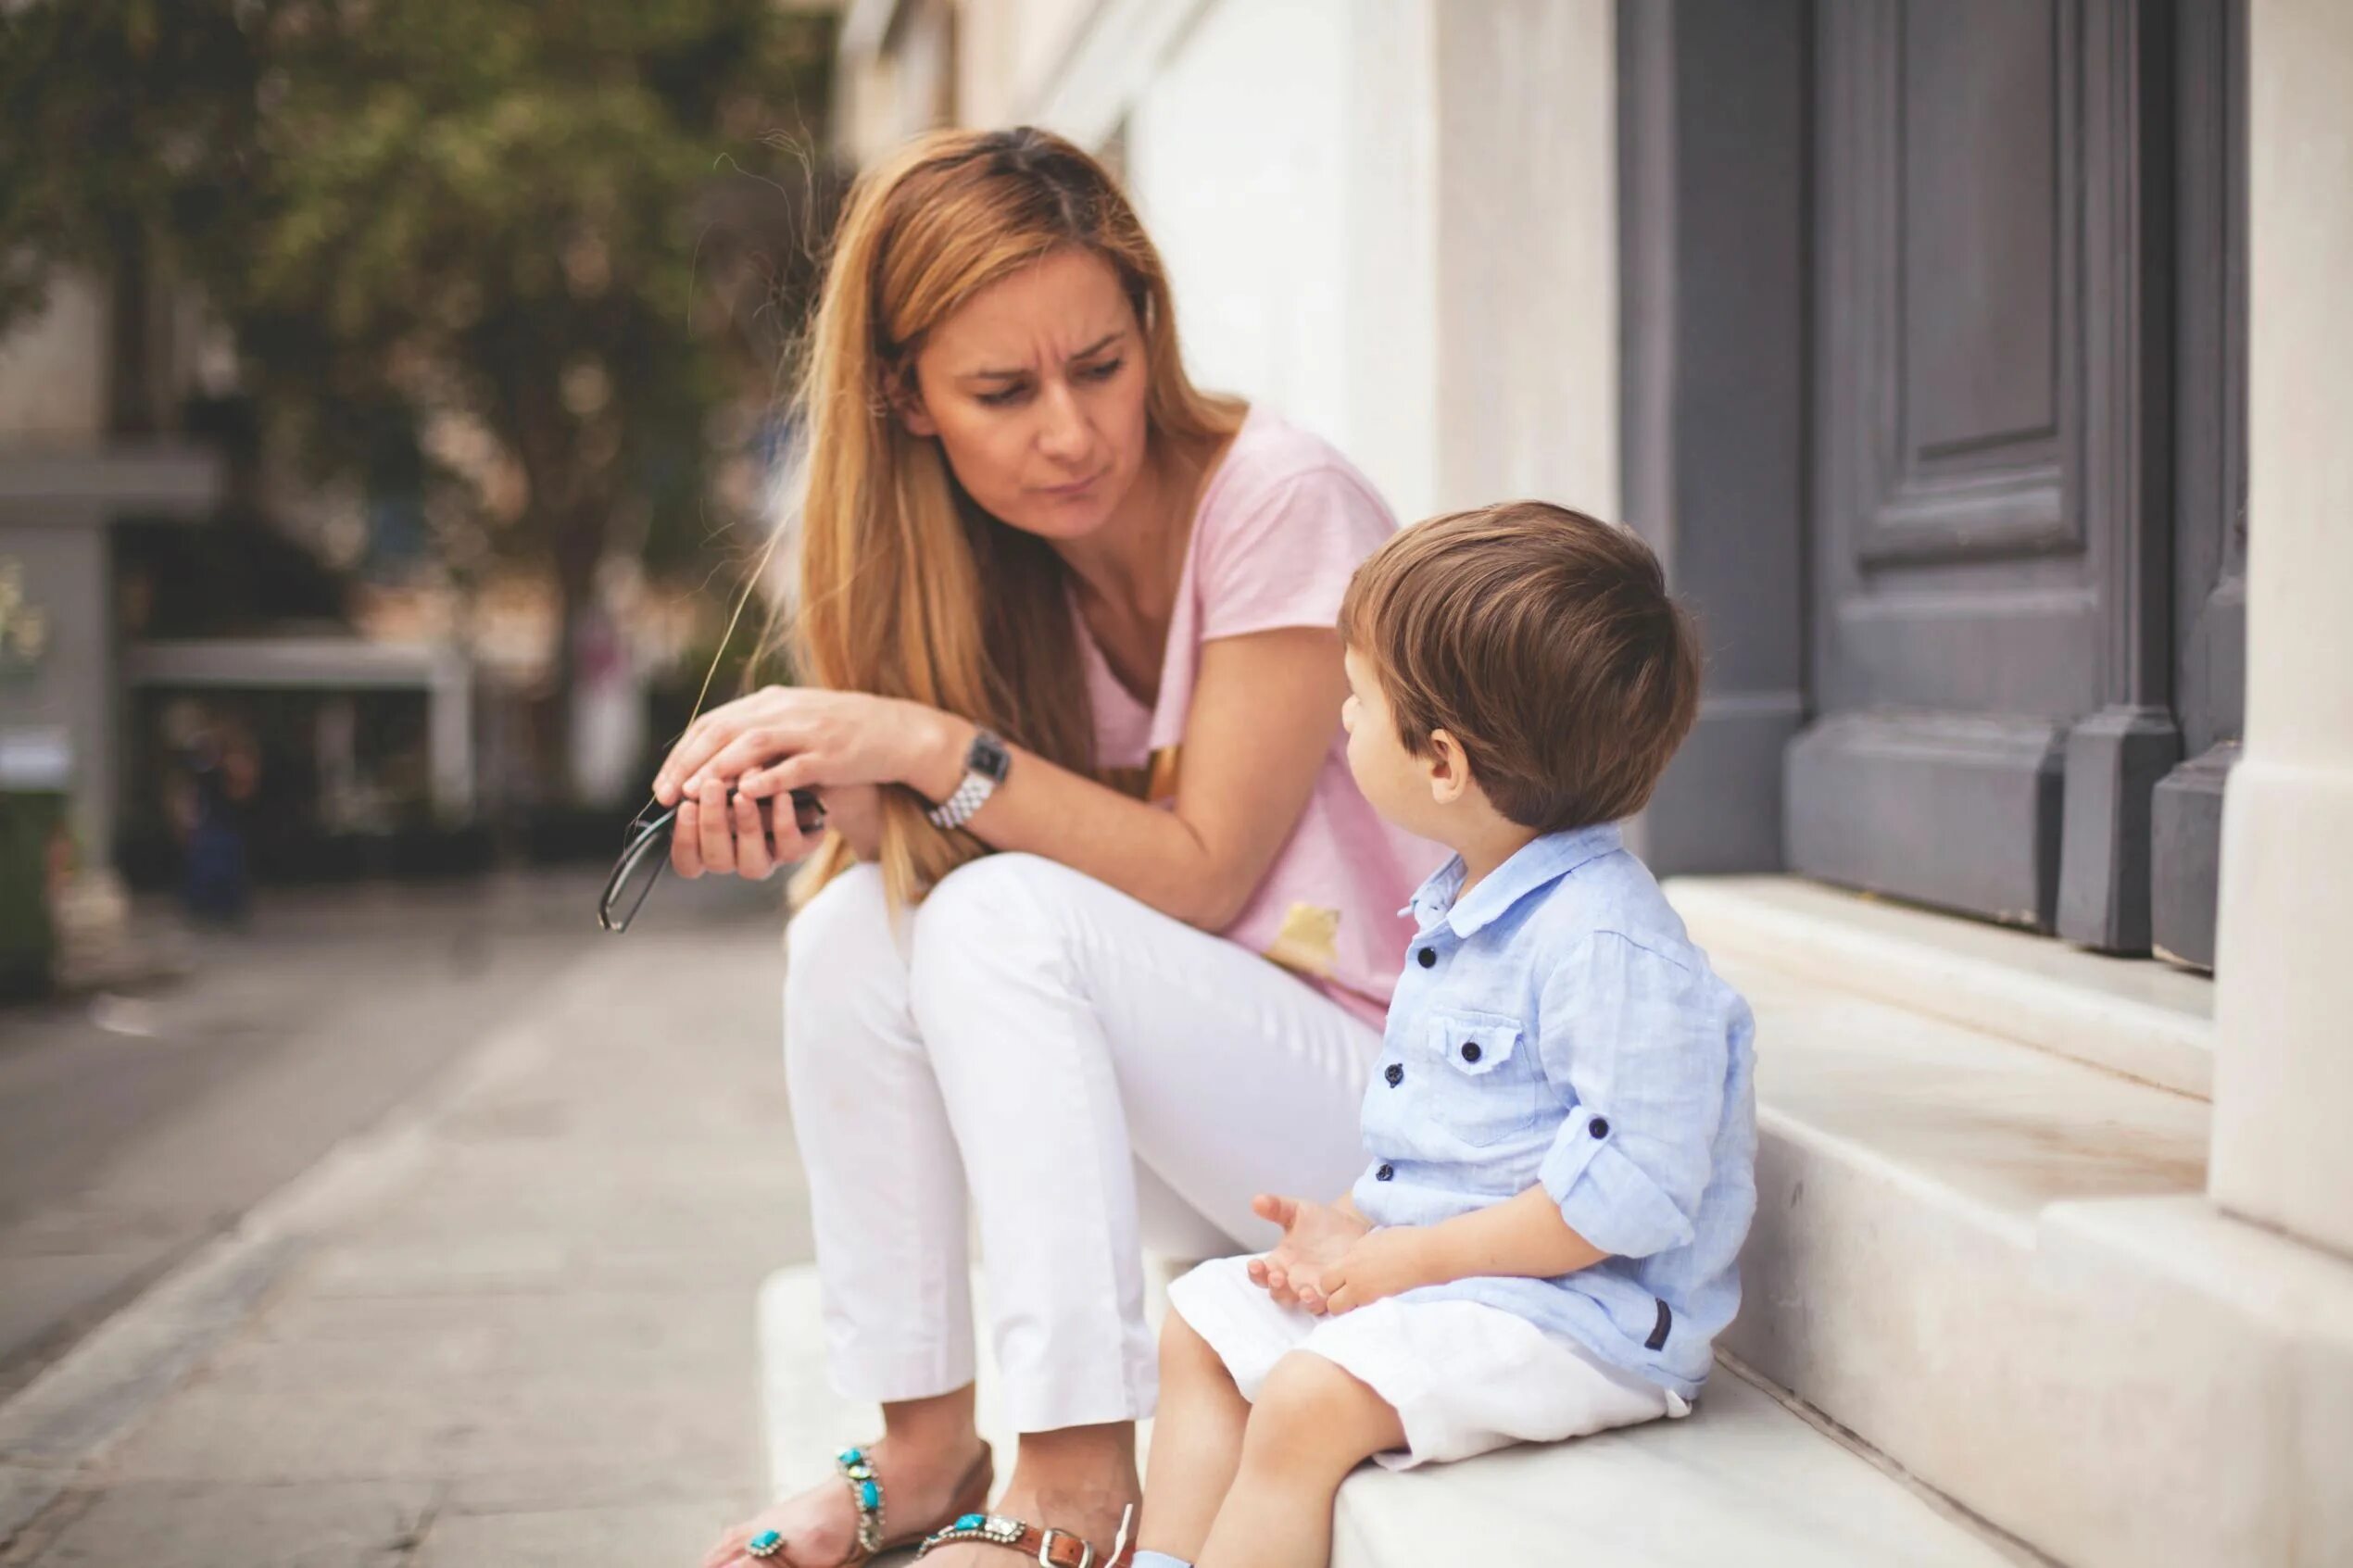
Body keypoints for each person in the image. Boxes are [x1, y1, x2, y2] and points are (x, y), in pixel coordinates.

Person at [671, 127, 1438, 1568]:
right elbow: (994, 918)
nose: (1070, 431)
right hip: (1232, 1111)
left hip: (1408, 1113)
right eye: (1002, 392)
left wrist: (925, 752)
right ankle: (916, 1445)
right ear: (904, 399)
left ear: (1149, 326)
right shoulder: (965, 573)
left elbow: (1203, 866)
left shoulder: (1279, 499)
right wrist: (847, 816)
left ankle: (1079, 1483)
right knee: (853, 929)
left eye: (1099, 363)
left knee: (997, 912)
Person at [1125, 503, 1759, 1568]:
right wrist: (1357, 1233)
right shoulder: (1469, 908)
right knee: (1199, 1323)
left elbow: (1628, 1196)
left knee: (1304, 1401)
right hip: (1463, 1285)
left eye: (1359, 698)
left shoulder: (1606, 945)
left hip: (1584, 1323)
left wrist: (1408, 1260)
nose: (1341, 714)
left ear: (1443, 763)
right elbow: (1458, 1150)